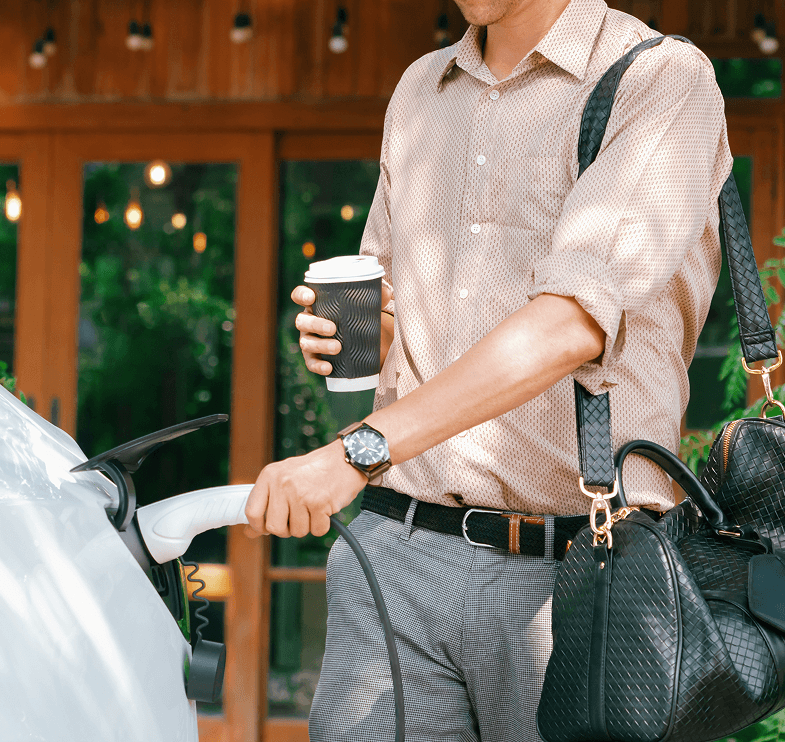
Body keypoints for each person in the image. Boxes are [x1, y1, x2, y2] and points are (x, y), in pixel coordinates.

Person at [245, 0, 731, 739]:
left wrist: (358, 448)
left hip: (576, 574)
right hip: (397, 553)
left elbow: (571, 323)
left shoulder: (658, 78)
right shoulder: (419, 90)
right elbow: (389, 300)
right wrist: (350, 329)